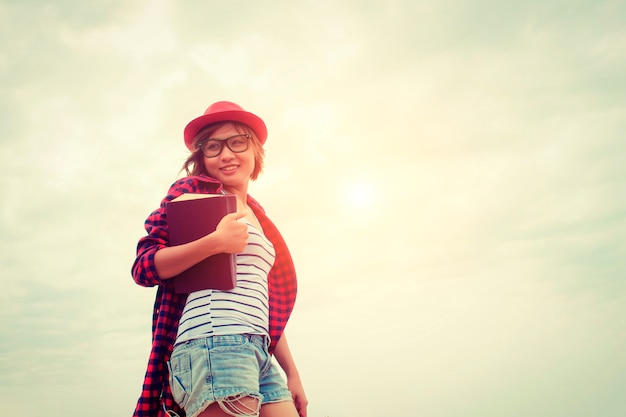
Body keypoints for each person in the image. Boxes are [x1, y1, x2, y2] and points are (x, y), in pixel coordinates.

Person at [131, 101, 307, 417]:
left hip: (259, 350)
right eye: (213, 147)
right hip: (215, 342)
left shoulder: (260, 217)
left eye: (237, 142)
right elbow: (144, 267)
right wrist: (214, 243)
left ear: (256, 151)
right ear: (202, 157)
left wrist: (291, 371)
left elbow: (262, 301)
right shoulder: (192, 193)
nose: (226, 155)